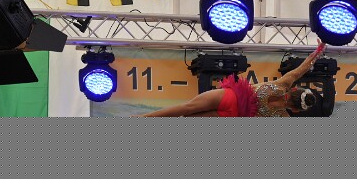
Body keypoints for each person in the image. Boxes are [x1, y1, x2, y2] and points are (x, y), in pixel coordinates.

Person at [135, 40, 327, 117]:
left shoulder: (283, 84)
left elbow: (302, 68)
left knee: (186, 108)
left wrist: (319, 50)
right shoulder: (283, 117)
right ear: (296, 109)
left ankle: (142, 118)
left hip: (230, 97)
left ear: (295, 90)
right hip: (231, 115)